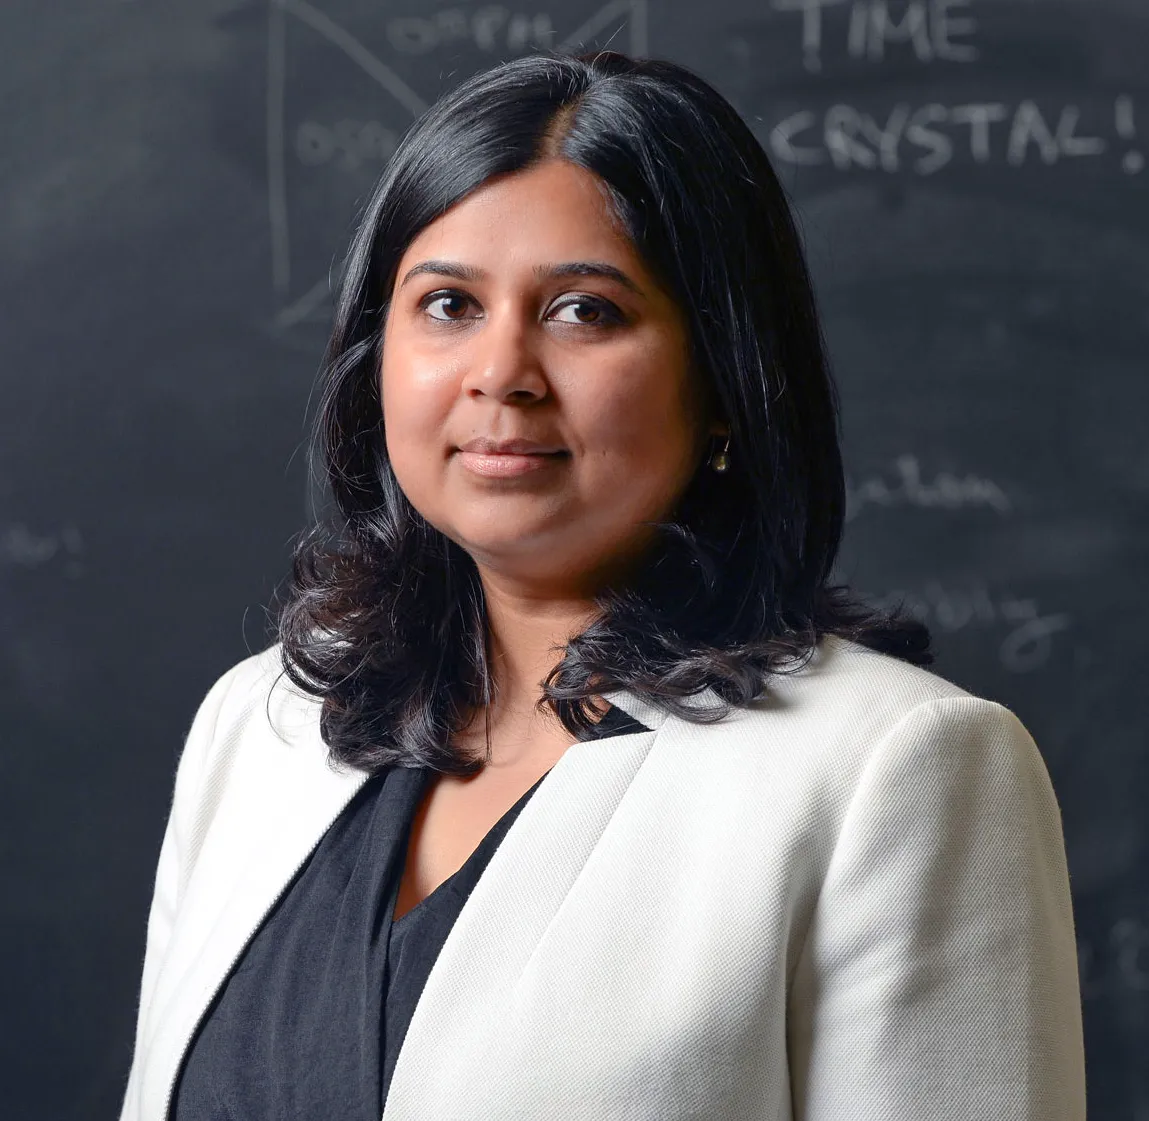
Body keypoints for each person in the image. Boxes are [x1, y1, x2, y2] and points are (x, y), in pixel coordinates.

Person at [118, 49, 1085, 1121]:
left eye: (585, 311)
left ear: (723, 377)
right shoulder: (259, 729)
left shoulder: (899, 768)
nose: (503, 372)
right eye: (447, 304)